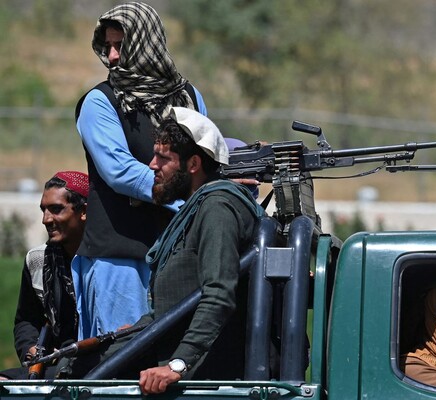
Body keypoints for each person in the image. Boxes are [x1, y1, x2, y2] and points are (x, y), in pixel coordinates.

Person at [59, 107, 263, 393]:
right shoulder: (195, 209)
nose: (152, 165)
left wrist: (178, 364)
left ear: (193, 164)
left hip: (198, 378)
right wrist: (134, 333)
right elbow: (176, 303)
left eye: (163, 158)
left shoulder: (218, 208)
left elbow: (218, 295)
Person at [72, 1, 209, 340]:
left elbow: (205, 159)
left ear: (147, 43)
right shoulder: (99, 102)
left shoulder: (189, 97)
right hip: (121, 262)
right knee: (122, 368)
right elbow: (119, 171)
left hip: (178, 260)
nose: (113, 57)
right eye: (109, 47)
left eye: (121, 45)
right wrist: (187, 200)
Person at [1, 171, 88, 380]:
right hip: (51, 364)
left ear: (83, 212)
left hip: (92, 364)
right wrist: (29, 347)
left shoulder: (105, 263)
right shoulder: (36, 259)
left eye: (56, 209)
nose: (46, 219)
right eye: (43, 210)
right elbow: (26, 320)